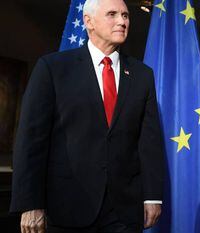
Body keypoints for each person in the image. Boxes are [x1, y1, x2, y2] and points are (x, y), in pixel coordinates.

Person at [10, 0, 165, 232]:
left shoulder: (142, 75)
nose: (122, 21)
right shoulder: (53, 68)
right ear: (88, 21)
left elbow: (148, 141)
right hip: (66, 208)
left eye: (125, 15)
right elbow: (31, 140)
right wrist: (29, 202)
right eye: (112, 14)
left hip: (123, 212)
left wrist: (152, 197)